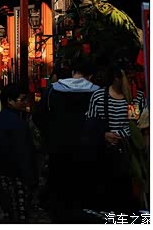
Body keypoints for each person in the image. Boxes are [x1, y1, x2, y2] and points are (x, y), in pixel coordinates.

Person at [32, 58, 99, 223]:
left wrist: (50, 134)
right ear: (91, 76)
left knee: (59, 190)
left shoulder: (53, 90)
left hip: (58, 148)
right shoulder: (97, 93)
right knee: (84, 191)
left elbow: (38, 117)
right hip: (87, 149)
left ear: (73, 72)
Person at [85, 69, 145, 214]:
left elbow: (134, 125)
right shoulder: (99, 96)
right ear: (116, 78)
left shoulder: (133, 97)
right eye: (128, 79)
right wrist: (104, 135)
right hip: (103, 153)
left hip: (127, 153)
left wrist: (119, 135)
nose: (131, 82)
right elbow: (90, 123)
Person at [0, 84, 36, 223]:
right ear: (10, 101)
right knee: (18, 214)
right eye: (22, 99)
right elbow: (23, 152)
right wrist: (30, 178)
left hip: (1, 174)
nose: (25, 103)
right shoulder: (17, 123)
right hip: (16, 175)